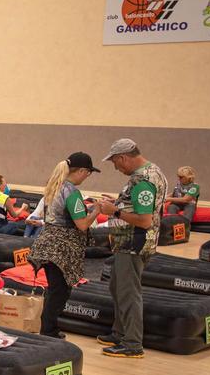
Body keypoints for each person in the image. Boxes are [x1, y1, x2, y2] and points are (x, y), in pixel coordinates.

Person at [95, 139, 168, 359]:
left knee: (128, 293)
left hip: (133, 244)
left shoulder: (142, 180)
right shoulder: (152, 172)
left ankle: (132, 343)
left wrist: (113, 212)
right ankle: (120, 333)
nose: (117, 168)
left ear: (124, 157)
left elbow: (144, 220)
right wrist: (116, 205)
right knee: (118, 287)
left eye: (116, 163)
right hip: (126, 243)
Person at [27, 153, 101, 339]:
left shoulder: (54, 187)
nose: (87, 177)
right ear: (82, 171)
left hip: (47, 243)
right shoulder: (72, 193)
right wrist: (96, 210)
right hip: (61, 248)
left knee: (56, 289)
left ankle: (49, 328)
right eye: (88, 173)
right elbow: (82, 224)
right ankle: (48, 331)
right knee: (60, 291)